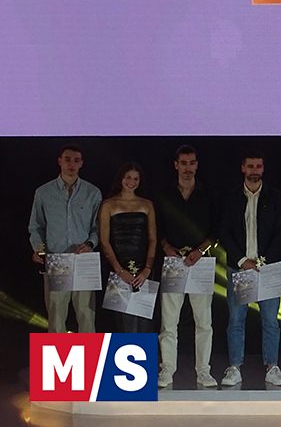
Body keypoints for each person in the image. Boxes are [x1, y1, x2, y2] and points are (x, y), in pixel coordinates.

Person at [219, 151, 281, 387]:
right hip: (239, 268)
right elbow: (224, 231)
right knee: (236, 320)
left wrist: (263, 261)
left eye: (258, 166)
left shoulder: (275, 198)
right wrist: (242, 261)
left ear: (263, 168)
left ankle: (272, 367)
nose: (254, 171)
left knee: (271, 321)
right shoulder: (231, 197)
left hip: (267, 268)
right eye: (250, 166)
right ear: (243, 168)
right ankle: (235, 368)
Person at [156, 145, 219, 388]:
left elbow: (216, 230)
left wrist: (200, 250)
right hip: (173, 262)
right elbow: (158, 228)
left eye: (192, 163)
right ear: (176, 165)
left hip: (200, 262)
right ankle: (167, 369)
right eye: (183, 163)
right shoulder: (164, 195)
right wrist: (166, 247)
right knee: (168, 322)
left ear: (197, 165)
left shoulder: (209, 194)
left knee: (204, 322)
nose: (188, 168)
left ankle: (203, 371)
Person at [28, 144, 102, 333]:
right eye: (67, 160)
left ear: (81, 163)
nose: (72, 164)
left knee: (87, 316)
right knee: (56, 317)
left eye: (76, 160)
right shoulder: (44, 193)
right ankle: (58, 353)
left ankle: (89, 353)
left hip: (83, 261)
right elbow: (36, 226)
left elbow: (98, 227)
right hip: (56, 260)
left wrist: (90, 244)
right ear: (60, 161)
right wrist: (40, 250)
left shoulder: (92, 193)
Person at [98, 161, 157, 333]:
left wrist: (147, 269)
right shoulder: (108, 204)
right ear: (121, 178)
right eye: (128, 177)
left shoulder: (147, 204)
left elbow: (153, 239)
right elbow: (104, 240)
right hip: (118, 269)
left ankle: (145, 352)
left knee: (144, 322)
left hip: (144, 269)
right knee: (124, 323)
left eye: (136, 179)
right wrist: (119, 270)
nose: (132, 182)